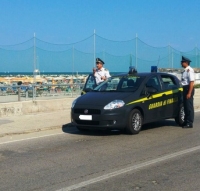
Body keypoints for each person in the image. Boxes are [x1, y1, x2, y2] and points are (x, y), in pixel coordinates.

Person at [180, 56, 195, 128]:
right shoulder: (185, 70)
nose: (181, 63)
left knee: (189, 106)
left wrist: (189, 93)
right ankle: (186, 121)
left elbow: (191, 82)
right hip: (185, 88)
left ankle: (189, 122)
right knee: (185, 106)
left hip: (188, 89)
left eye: (182, 62)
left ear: (186, 63)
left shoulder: (190, 70)